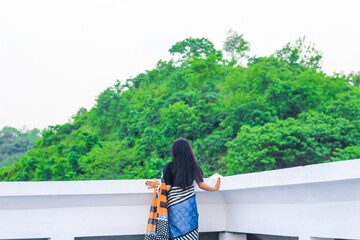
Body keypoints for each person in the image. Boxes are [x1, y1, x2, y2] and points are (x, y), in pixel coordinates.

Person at [145, 138, 221, 240]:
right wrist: (215, 188)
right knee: (190, 232)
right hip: (190, 207)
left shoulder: (169, 166)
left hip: (174, 207)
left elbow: (166, 188)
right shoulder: (193, 166)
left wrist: (157, 185)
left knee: (175, 234)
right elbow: (201, 185)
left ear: (174, 152)